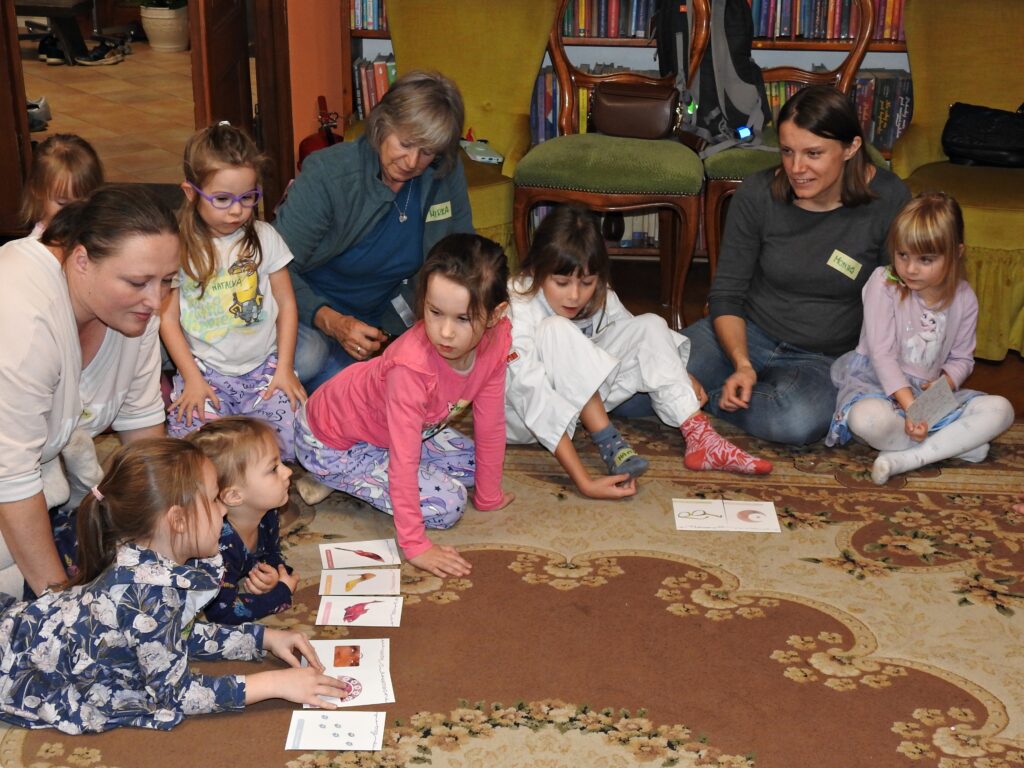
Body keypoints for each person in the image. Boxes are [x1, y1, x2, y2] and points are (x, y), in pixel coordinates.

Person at [0, 438, 346, 734]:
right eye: (213, 499)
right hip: (19, 661)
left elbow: (173, 635)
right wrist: (273, 684)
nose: (223, 509)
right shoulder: (148, 596)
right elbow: (176, 694)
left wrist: (263, 638)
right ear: (177, 521)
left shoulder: (160, 564)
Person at [682, 85, 912, 446]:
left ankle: (692, 398)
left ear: (851, 148)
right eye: (787, 152)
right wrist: (742, 363)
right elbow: (727, 294)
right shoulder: (757, 194)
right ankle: (704, 391)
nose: (796, 168)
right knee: (632, 388)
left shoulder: (889, 198)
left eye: (813, 153)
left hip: (825, 357)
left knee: (796, 421)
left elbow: (901, 299)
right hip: (746, 334)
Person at [505, 205, 772, 501]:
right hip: (525, 418)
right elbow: (529, 394)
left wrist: (680, 375)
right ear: (535, 269)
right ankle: (610, 444)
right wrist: (584, 481)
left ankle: (701, 437)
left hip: (580, 401)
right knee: (556, 328)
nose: (575, 296)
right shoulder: (516, 303)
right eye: (562, 283)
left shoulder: (596, 292)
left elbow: (631, 334)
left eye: (587, 283)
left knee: (650, 324)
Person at [295, 234, 515, 578]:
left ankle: (353, 477)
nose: (444, 332)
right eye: (434, 312)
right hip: (331, 440)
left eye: (463, 318)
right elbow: (404, 459)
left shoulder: (498, 337)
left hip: (391, 430)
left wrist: (489, 495)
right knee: (449, 503)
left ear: (494, 315)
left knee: (478, 468)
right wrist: (416, 546)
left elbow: (491, 422)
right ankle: (332, 474)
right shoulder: (410, 369)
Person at [0, 185, 178, 599]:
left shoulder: (138, 309)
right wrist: (61, 602)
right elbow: (10, 479)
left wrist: (166, 547)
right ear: (81, 260)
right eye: (138, 281)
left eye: (167, 280)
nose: (156, 299)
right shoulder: (23, 316)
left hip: (32, 475)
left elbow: (143, 434)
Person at [273, 70, 474, 391]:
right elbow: (274, 267)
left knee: (376, 389)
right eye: (405, 144)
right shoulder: (329, 174)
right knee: (309, 357)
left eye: (427, 151)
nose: (412, 161)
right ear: (382, 124)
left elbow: (464, 257)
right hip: (304, 310)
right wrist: (330, 320)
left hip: (376, 324)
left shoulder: (443, 174)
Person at [824, 193, 1014, 485]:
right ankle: (951, 443)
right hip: (879, 386)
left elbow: (962, 359)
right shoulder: (883, 283)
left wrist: (946, 384)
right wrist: (911, 408)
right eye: (902, 255)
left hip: (926, 398)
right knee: (867, 420)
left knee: (1001, 409)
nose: (910, 269)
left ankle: (907, 458)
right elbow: (882, 355)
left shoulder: (964, 297)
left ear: (956, 253)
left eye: (926, 259)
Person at [161, 122, 304, 460]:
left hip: (263, 367)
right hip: (205, 370)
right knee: (193, 446)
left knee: (295, 440)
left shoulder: (265, 236)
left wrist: (283, 367)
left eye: (248, 198)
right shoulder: (177, 246)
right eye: (223, 199)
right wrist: (192, 378)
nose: (237, 210)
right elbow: (167, 318)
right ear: (191, 192)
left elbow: (286, 303)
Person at [187, 417, 299, 624]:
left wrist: (273, 574)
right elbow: (221, 613)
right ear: (234, 496)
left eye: (280, 462)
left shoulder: (267, 512)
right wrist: (280, 592)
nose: (288, 471)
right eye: (273, 469)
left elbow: (271, 553)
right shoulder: (216, 548)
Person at [19, 133, 103, 238]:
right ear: (37, 189)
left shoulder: (95, 231)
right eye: (62, 203)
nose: (74, 213)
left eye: (85, 202)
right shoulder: (35, 246)